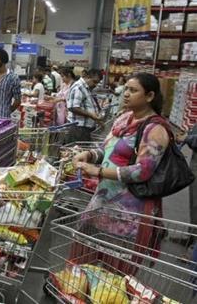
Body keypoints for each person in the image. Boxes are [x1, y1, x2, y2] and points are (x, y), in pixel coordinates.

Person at [71, 73, 170, 275]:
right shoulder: (124, 119)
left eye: (133, 90)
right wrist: (89, 155)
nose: (126, 94)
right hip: (102, 204)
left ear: (150, 96)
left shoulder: (155, 129)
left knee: (113, 276)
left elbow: (142, 171)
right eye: (126, 88)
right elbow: (106, 149)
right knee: (82, 268)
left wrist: (98, 171)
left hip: (128, 214)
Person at [65, 68, 103, 143]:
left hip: (84, 128)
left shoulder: (87, 88)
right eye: (94, 82)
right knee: (75, 151)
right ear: (88, 77)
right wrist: (91, 115)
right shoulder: (78, 87)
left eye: (97, 83)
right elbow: (73, 107)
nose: (95, 85)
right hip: (78, 128)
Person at [0, 48, 21, 118]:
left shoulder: (13, 78)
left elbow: (17, 100)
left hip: (4, 118)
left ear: (3, 59)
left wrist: (8, 111)